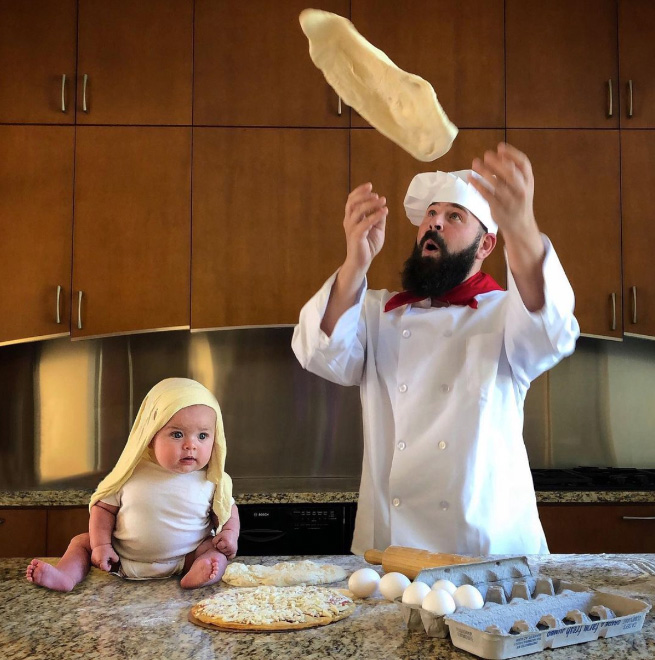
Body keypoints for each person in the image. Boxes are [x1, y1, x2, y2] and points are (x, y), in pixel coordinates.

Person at [292, 143, 579, 556]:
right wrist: (355, 262)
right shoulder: (376, 312)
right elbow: (320, 354)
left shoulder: (504, 313)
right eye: (431, 214)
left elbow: (549, 330)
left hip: (488, 550)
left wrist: (523, 229)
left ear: (486, 246)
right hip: (393, 551)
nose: (435, 224)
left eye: (453, 216)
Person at [26, 377, 240, 591]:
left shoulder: (211, 480)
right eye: (177, 434)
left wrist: (229, 534)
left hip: (185, 560)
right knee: (82, 542)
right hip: (121, 559)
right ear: (150, 435)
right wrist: (101, 545)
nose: (190, 445)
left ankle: (201, 571)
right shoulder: (130, 472)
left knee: (214, 551)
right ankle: (66, 575)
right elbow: (103, 510)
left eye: (202, 436)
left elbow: (228, 512)